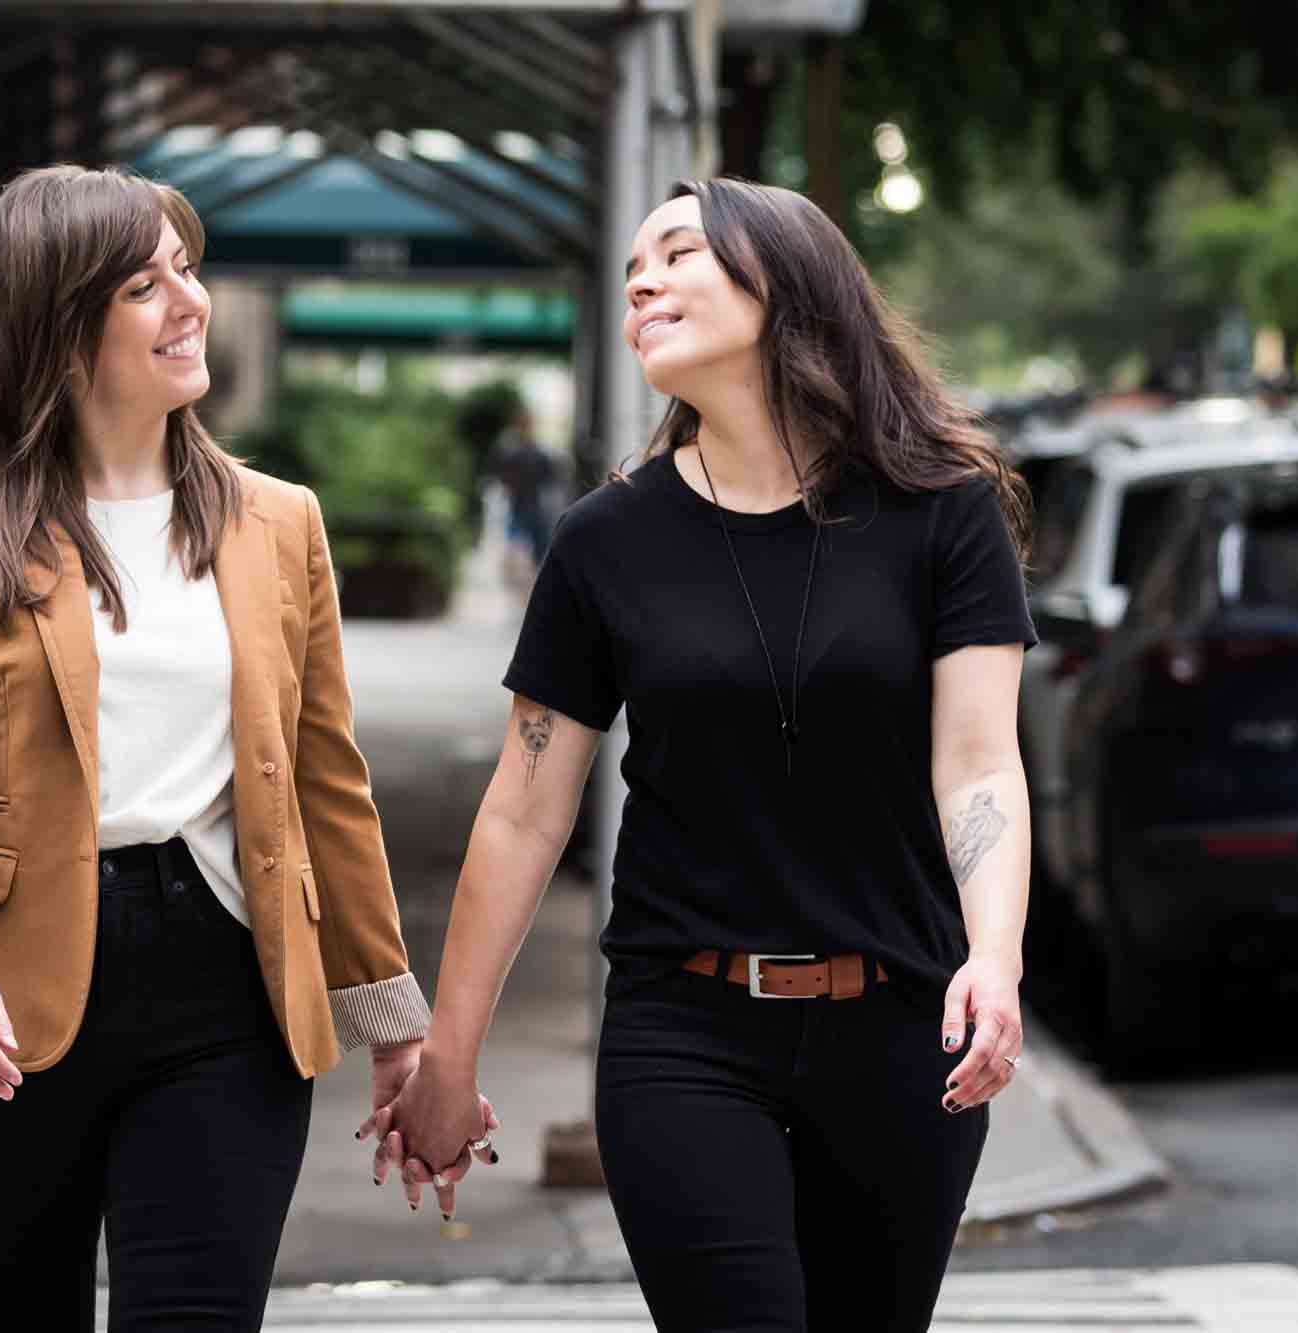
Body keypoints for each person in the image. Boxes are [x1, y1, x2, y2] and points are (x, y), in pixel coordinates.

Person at [372, 178, 1038, 1331]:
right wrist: (448, 1055)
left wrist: (994, 954)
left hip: (896, 1027)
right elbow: (523, 813)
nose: (642, 280)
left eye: (677, 252)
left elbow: (976, 763)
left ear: (784, 283)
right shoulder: (603, 542)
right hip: (683, 1028)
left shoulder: (940, 510)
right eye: (633, 265)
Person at [0, 164, 457, 1331]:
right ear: (56, 325)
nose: (189, 302)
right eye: (143, 282)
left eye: (188, 268)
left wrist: (389, 1013)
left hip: (224, 981)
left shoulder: (276, 521)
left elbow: (324, 775)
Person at [491, 407, 560, 570]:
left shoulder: (535, 450)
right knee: (517, 547)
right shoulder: (510, 449)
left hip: (533, 504)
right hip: (519, 504)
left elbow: (549, 476)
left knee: (535, 548)